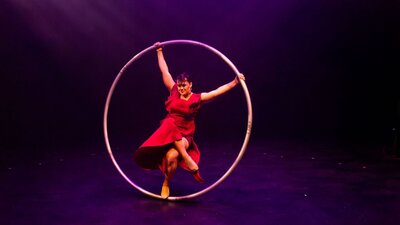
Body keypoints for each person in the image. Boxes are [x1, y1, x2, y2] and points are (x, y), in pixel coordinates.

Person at [133, 42, 245, 198]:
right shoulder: (174, 91)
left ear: (190, 85)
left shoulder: (197, 99)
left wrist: (235, 82)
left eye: (184, 85)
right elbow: (165, 71)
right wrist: (159, 50)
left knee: (171, 144)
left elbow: (216, 92)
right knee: (169, 128)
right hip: (168, 132)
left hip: (184, 135)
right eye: (179, 86)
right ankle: (181, 165)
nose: (180, 88)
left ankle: (168, 180)